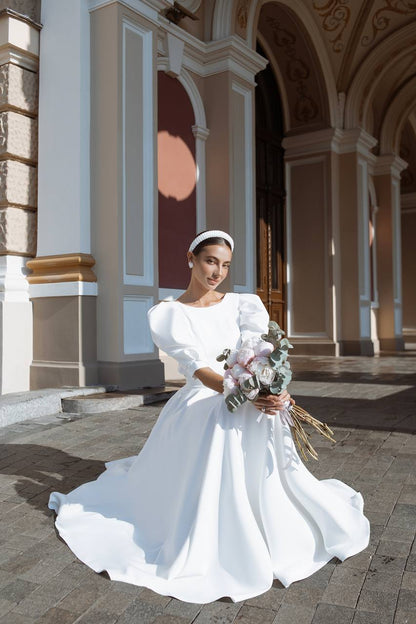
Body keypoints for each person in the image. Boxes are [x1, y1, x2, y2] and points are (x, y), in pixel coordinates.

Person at [49, 229, 370, 604]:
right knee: (221, 422)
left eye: (225, 265)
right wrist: (245, 393)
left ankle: (269, 518)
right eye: (210, 261)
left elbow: (266, 356)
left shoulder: (242, 305)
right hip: (205, 395)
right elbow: (199, 370)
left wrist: (275, 390)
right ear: (191, 258)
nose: (217, 272)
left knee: (263, 417)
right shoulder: (170, 313)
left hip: (246, 392)